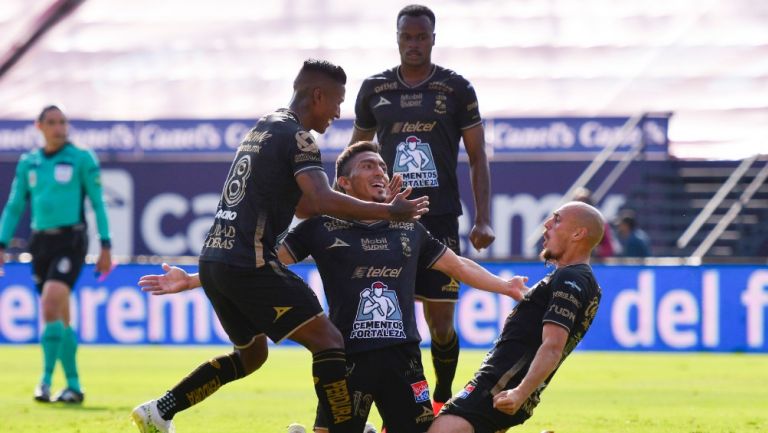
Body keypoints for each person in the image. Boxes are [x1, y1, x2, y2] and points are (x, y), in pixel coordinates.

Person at [137, 142, 526, 433]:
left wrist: (505, 286)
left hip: (404, 359)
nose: (379, 171)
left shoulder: (409, 228)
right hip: (346, 361)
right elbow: (258, 266)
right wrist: (189, 280)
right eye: (368, 166)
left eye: (381, 166)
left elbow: (457, 265)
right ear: (343, 182)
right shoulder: (319, 228)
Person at [130, 60, 429, 433]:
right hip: (249, 263)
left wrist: (193, 279)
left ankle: (161, 410)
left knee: (252, 355)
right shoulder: (300, 137)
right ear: (317, 95)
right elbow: (319, 200)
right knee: (329, 339)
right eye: (336, 102)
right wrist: (388, 211)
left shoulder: (265, 127)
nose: (338, 113)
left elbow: (302, 205)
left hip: (215, 262)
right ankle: (343, 429)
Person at [348, 4, 495, 412]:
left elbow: (478, 155)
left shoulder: (456, 88)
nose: (413, 44)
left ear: (433, 38)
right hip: (389, 217)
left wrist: (483, 218)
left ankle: (443, 398)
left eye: (421, 36)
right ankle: (398, 405)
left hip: (441, 217)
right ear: (396, 38)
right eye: (406, 36)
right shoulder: (374, 89)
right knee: (391, 320)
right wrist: (351, 206)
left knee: (441, 325)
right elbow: (355, 154)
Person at [428, 201, 604, 433]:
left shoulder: (570, 279)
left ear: (578, 233)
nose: (547, 224)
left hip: (499, 386)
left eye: (557, 219)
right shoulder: (581, 281)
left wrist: (520, 392)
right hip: (507, 386)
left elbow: (553, 347)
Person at [0, 105, 113, 403]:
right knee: (60, 317)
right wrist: (1, 243)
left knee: (50, 305)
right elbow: (14, 206)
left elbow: (99, 204)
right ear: (39, 127)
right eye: (52, 122)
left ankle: (45, 381)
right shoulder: (29, 163)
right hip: (40, 243)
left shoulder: (81, 158)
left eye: (62, 122)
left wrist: (106, 245)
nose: (59, 127)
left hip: (71, 240)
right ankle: (74, 386)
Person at [572, 187, 616, 258]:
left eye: (584, 202)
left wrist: (596, 252)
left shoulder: (600, 223)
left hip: (594, 264)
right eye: (577, 203)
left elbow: (609, 248)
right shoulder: (567, 222)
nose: (581, 205)